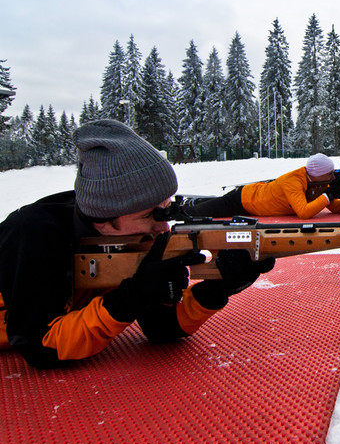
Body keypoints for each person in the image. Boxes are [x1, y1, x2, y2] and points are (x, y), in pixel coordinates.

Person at [0, 119, 271, 369]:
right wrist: (131, 298)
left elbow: (161, 328)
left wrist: (217, 288)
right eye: (147, 215)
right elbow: (42, 347)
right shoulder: (34, 234)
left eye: (165, 209)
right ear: (103, 220)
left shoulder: (137, 237)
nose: (163, 226)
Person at [186, 153, 340, 220]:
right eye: (330, 173)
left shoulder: (317, 183)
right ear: (317, 174)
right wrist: (330, 195)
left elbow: (335, 209)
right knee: (195, 214)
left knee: (209, 207)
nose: (333, 177)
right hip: (243, 200)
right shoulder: (293, 182)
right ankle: (181, 208)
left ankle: (198, 201)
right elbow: (304, 212)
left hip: (254, 204)